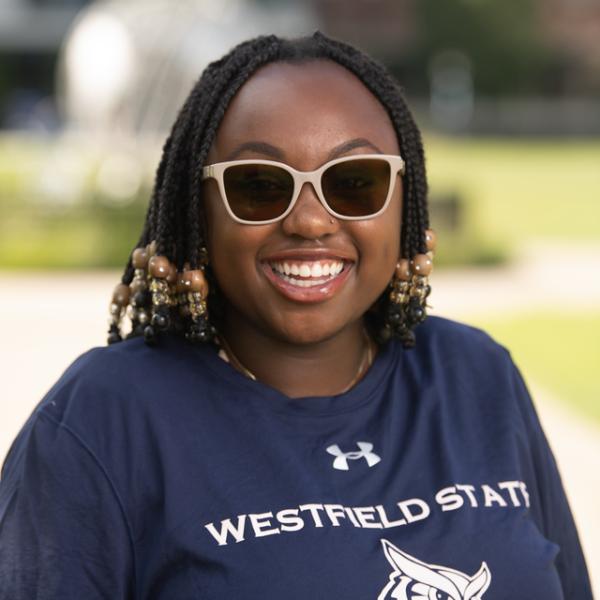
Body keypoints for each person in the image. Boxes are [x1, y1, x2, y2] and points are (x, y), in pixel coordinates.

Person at [0, 33, 592, 599]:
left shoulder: (477, 377)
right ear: (198, 212)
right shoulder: (103, 421)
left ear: (403, 202)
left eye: (355, 183)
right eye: (259, 186)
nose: (310, 221)